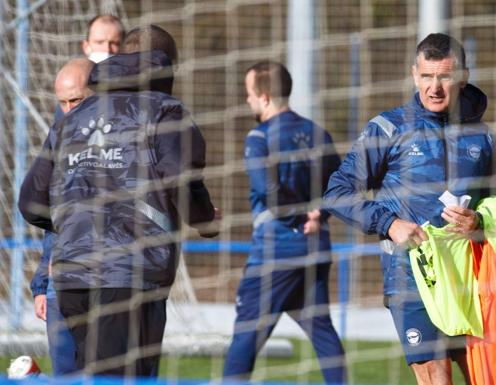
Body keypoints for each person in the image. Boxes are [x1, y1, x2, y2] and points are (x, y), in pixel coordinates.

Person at [19, 25, 218, 377]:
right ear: (167, 65)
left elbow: (31, 200)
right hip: (128, 275)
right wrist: (205, 221)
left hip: (71, 280)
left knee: (93, 375)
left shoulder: (73, 117)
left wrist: (73, 224)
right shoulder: (163, 111)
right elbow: (179, 182)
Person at [323, 33, 496, 385]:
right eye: (427, 76)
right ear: (414, 74)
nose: (435, 87)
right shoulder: (388, 128)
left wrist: (479, 219)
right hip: (410, 276)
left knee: (485, 378)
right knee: (437, 378)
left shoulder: (483, 138)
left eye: (444, 77)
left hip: (467, 281)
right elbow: (337, 191)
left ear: (463, 77)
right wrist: (389, 223)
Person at [222, 61, 347, 384]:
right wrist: (321, 215)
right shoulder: (318, 133)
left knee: (246, 333)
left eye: (249, 94)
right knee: (322, 332)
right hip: (315, 246)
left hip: (276, 251)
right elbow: (342, 185)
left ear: (263, 97)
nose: (247, 101)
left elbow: (269, 192)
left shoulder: (259, 137)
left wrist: (299, 216)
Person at [28, 15, 124, 374]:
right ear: (86, 46)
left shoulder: (131, 125)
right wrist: (43, 281)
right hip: (64, 274)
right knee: (66, 370)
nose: (107, 51)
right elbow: (48, 207)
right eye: (101, 43)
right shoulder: (61, 134)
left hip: (111, 276)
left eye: (115, 44)